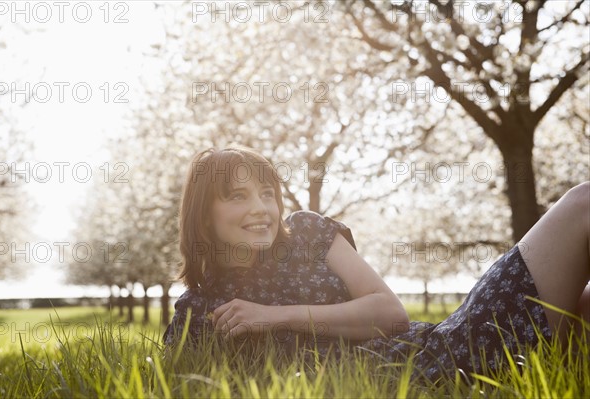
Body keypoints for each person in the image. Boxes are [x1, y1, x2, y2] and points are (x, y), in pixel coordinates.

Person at [163, 145, 589, 382]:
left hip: (441, 350)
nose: (261, 208)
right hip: (426, 381)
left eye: (267, 193)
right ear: (203, 214)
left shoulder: (308, 232)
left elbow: (392, 315)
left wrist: (274, 317)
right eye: (238, 196)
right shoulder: (197, 314)